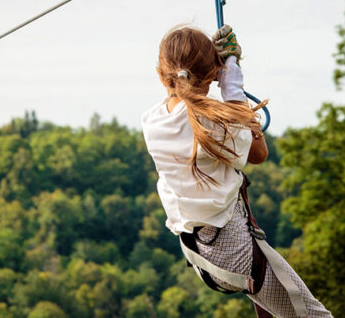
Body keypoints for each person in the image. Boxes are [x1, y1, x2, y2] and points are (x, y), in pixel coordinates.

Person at [140, 25, 332, 318]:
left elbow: (191, 105)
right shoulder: (215, 123)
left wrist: (217, 73)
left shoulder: (151, 121)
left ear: (159, 73)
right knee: (314, 315)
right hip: (233, 252)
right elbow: (258, 153)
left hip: (201, 253)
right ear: (212, 76)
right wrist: (233, 87)